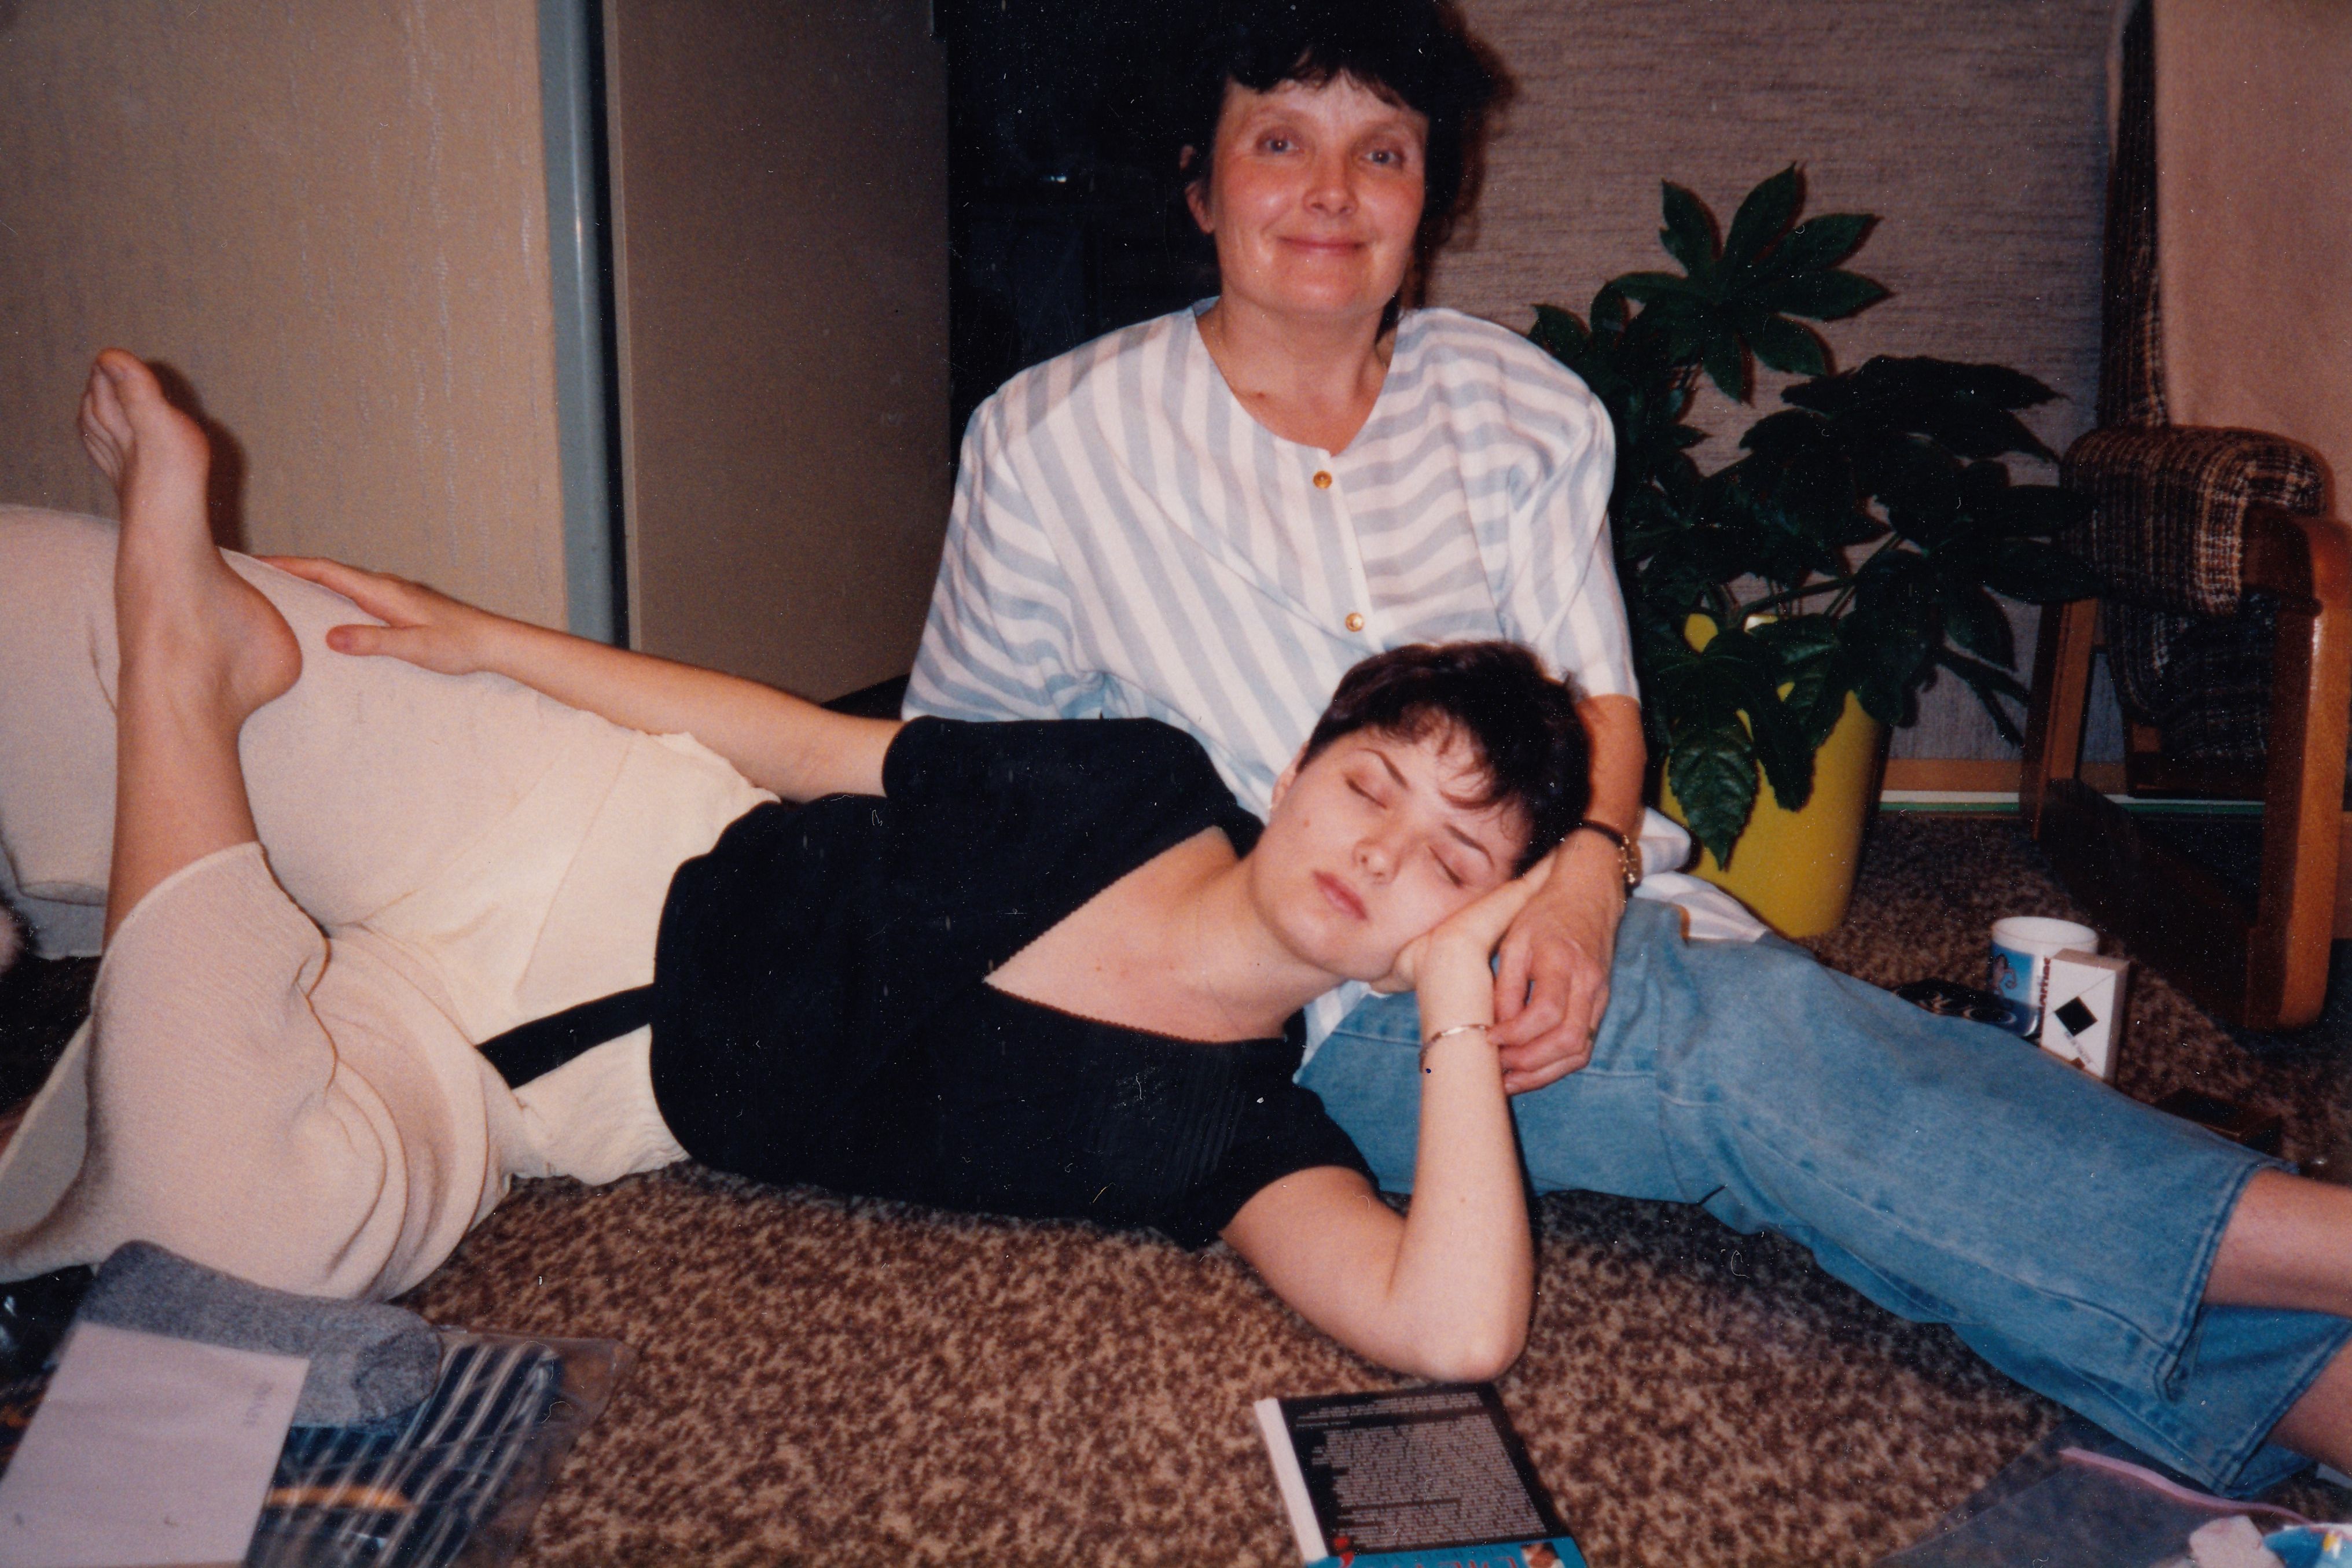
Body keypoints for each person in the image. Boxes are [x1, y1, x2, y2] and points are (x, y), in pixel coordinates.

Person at [903, 0, 2352, 1492]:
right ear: (1200, 185)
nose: (1332, 193)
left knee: (1822, 1126)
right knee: (1748, 1058)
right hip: (1319, 994)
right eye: (1280, 143)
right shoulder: (1052, 444)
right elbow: (959, 777)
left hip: (1576, 900)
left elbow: (1600, 700)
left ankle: (2322, 1394)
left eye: (1382, 153)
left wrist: (1587, 890)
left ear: (1429, 195)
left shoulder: (1515, 409)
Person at [0, 351, 1611, 1382]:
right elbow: (801, 745)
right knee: (50, 620)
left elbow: (1454, 1329)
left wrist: (1460, 1006)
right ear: (1300, 767)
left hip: (529, 1088)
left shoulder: (1243, 1135)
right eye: (1371, 783)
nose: (1381, 847)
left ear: (1469, 918)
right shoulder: (1144, 780)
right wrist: (485, 638)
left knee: (224, 1244)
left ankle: (177, 696)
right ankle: (174, 676)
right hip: (557, 811)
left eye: (1448, 859)